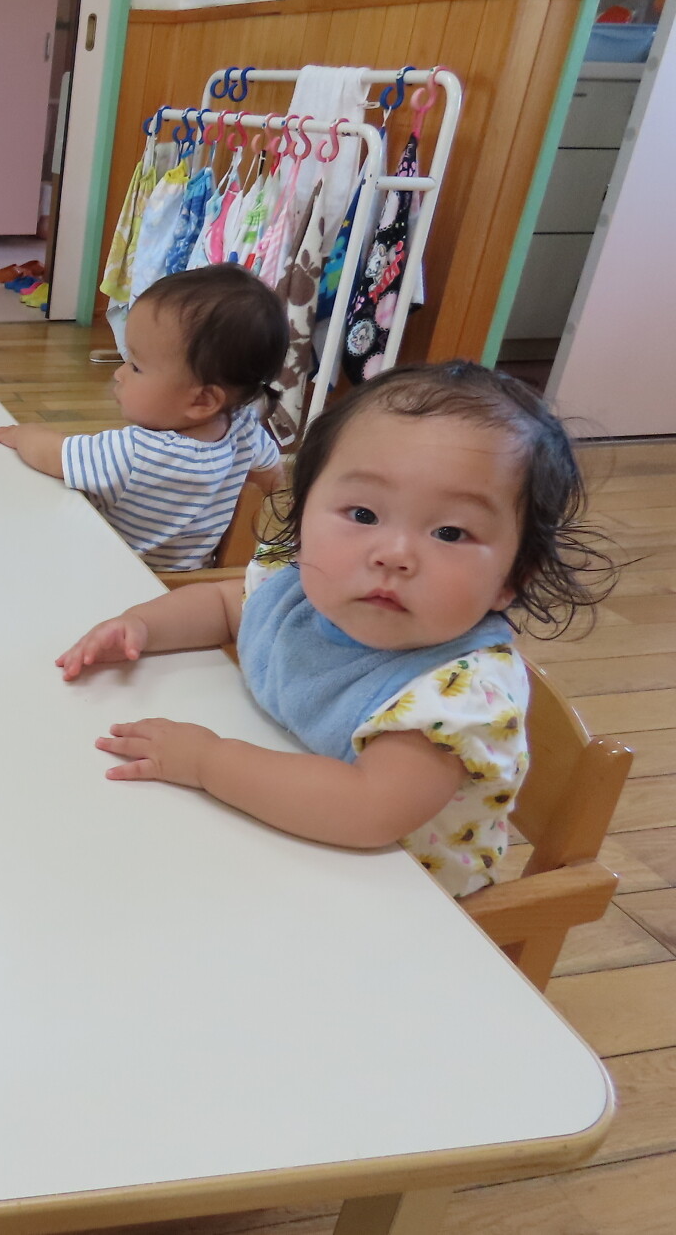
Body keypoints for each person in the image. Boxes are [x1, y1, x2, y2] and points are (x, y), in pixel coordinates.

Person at [56, 362, 615, 898]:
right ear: (303, 515)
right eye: (363, 515)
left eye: (449, 532)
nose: (393, 554)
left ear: (512, 579)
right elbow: (229, 605)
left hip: (405, 909)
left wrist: (206, 761)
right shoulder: (308, 589)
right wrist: (140, 626)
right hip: (294, 852)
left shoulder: (453, 696)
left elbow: (367, 809)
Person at [0, 264, 287, 573]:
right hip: (187, 577)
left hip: (116, 577)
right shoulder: (243, 427)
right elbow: (271, 475)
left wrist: (22, 434)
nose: (119, 373)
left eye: (136, 367)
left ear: (202, 401)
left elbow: (55, 454)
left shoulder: (138, 452)